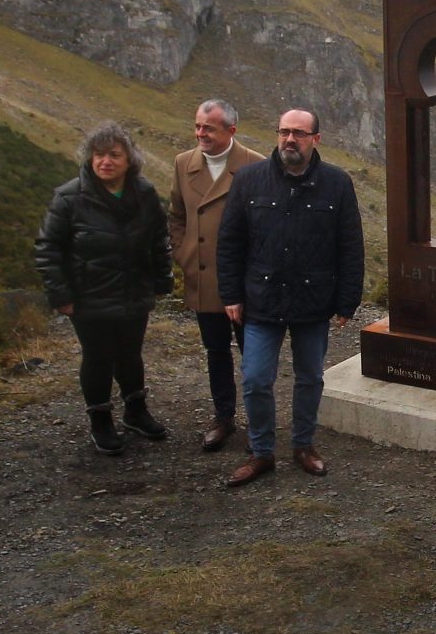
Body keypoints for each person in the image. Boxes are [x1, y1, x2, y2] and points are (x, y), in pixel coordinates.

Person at [216, 108, 364, 485]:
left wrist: (347, 301)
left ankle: (303, 445)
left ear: (316, 138)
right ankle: (261, 452)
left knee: (310, 377)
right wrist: (230, 294)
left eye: (299, 133)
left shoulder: (337, 183)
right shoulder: (249, 180)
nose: (289, 140)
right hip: (261, 300)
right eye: (284, 131)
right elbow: (230, 242)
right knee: (255, 379)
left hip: (313, 302)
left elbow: (350, 246)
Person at [34, 122, 173, 457]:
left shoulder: (144, 193)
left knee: (130, 354)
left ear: (129, 160)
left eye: (114, 154)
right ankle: (100, 420)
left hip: (133, 292)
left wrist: (160, 281)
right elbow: (48, 248)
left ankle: (136, 412)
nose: (105, 161)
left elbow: (158, 241)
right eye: (99, 155)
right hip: (88, 297)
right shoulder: (69, 197)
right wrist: (61, 296)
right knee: (97, 358)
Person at [169, 98, 267, 453]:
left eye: (208, 128)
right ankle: (223, 417)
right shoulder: (183, 164)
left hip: (244, 282)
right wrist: (184, 253)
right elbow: (176, 215)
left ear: (231, 130)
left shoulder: (256, 165)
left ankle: (260, 421)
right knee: (215, 350)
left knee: (252, 352)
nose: (200, 134)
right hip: (204, 277)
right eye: (197, 126)